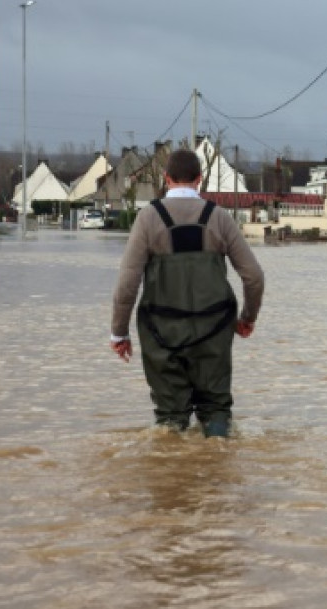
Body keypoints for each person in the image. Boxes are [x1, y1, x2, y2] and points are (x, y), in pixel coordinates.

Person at [110, 149, 265, 437]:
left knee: (170, 416)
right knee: (216, 407)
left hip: (161, 334)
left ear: (166, 179)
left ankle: (172, 473)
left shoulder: (147, 219)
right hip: (214, 332)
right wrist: (247, 317)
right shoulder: (220, 218)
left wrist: (119, 333)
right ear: (200, 180)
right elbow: (254, 276)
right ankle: (217, 469)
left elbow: (127, 283)